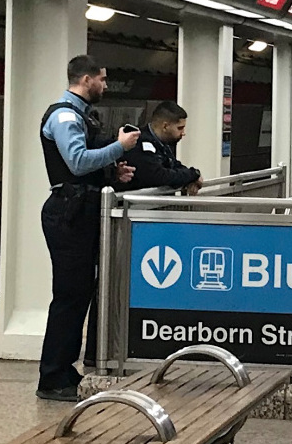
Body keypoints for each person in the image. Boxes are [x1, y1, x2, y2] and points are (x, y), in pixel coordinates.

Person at [37, 55, 140, 402]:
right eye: (102, 79)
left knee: (79, 293)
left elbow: (84, 167)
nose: (106, 86)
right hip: (68, 214)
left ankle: (64, 370)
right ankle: (52, 377)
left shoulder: (82, 115)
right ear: (85, 79)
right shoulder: (65, 116)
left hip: (79, 210)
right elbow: (77, 162)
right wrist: (118, 148)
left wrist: (113, 172)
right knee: (69, 295)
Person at [115, 101, 203, 193]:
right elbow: (158, 176)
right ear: (165, 126)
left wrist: (192, 176)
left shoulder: (163, 144)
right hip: (134, 204)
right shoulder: (138, 142)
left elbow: (175, 165)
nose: (183, 133)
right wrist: (193, 174)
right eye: (179, 128)